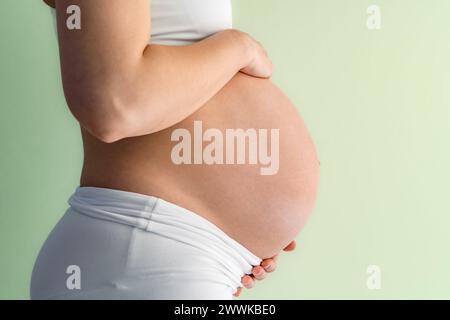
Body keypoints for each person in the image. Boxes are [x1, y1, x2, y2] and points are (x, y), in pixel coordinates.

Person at [31, 0, 319, 299]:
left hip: (169, 252)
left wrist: (256, 234)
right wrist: (238, 48)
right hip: (146, 245)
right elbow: (114, 104)